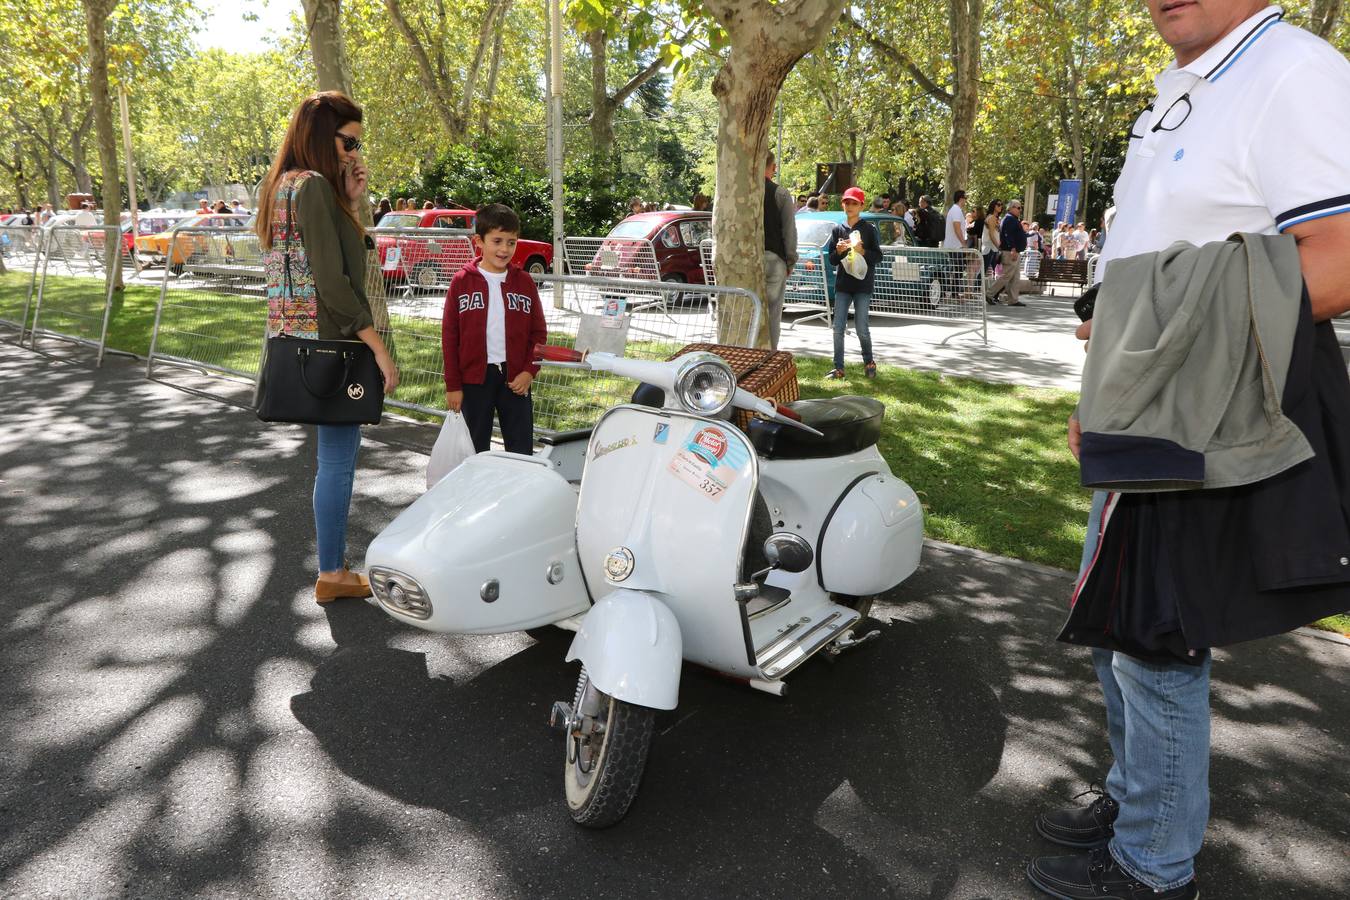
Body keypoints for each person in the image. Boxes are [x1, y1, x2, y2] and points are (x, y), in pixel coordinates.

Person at [1030, 3, 1350, 899]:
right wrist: (1114, 388)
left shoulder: (1291, 69)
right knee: (1115, 627)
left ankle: (1154, 868)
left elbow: (1337, 260)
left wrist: (1152, 379)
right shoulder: (1191, 86)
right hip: (1148, 409)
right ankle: (1138, 802)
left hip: (1198, 417)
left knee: (1155, 642)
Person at [254, 91, 399, 604]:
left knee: (333, 460)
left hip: (296, 342)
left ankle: (332, 568)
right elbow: (333, 281)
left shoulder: (280, 185)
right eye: (348, 142)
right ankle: (332, 572)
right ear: (322, 136)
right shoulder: (312, 186)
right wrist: (378, 348)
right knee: (338, 461)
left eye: (358, 143)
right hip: (331, 344)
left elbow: (323, 258)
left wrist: (352, 204)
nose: (354, 153)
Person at [442, 203, 547, 455]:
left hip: (515, 379)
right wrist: (453, 385)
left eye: (511, 242)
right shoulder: (462, 282)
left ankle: (517, 493)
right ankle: (477, 493)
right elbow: (450, 336)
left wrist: (529, 372)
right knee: (475, 448)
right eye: (497, 240)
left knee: (520, 448)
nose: (504, 249)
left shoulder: (524, 282)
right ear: (479, 241)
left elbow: (538, 333)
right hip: (474, 380)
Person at [825, 186, 882, 380]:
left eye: (853, 203)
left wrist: (862, 251)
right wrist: (839, 251)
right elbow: (832, 260)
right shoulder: (837, 230)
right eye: (846, 202)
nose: (849, 206)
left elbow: (878, 257)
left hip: (862, 286)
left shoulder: (869, 229)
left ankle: (869, 362)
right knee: (837, 327)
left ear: (861, 206)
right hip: (843, 285)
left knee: (861, 328)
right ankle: (839, 368)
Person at [762, 151, 798, 350]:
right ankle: (768, 357)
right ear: (773, 167)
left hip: (747, 259)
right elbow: (789, 231)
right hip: (774, 258)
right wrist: (790, 261)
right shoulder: (781, 193)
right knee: (772, 314)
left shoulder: (743, 191)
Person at [986, 199, 1027, 306]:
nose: (1020, 210)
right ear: (1011, 208)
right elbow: (1008, 235)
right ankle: (989, 293)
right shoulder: (1009, 219)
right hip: (1010, 252)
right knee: (1006, 276)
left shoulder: (1012, 219)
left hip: (1014, 251)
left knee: (1015, 277)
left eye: (1020, 208)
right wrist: (1013, 248)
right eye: (1018, 208)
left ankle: (1013, 300)